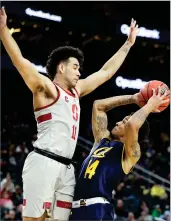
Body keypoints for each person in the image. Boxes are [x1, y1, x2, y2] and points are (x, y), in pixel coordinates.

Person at [0, 6, 139, 221]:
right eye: (75, 67)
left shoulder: (77, 90)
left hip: (66, 169)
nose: (79, 71)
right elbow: (20, 61)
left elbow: (106, 72)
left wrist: (127, 45)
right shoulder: (45, 89)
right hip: (43, 160)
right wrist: (3, 31)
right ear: (61, 68)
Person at [70, 87, 169, 221]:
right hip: (75, 209)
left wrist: (150, 105)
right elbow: (98, 106)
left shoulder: (131, 154)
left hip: (96, 210)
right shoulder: (102, 141)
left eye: (123, 122)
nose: (117, 122)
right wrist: (133, 98)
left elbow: (133, 124)